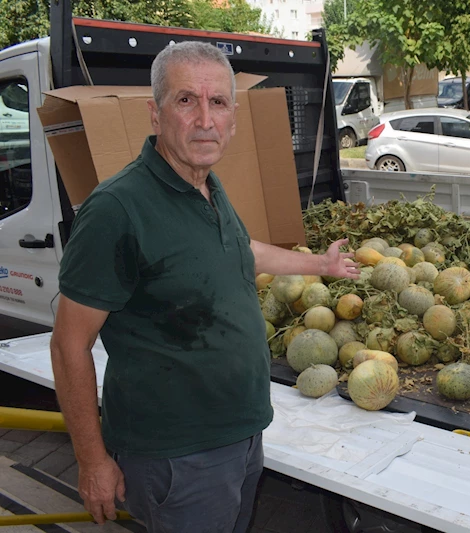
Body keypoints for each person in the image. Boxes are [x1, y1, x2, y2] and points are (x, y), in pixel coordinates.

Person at [49, 41, 359, 533]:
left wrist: (319, 262)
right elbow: (69, 344)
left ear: (233, 118)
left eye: (218, 103)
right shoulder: (117, 209)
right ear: (155, 114)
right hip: (178, 455)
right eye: (186, 100)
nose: (205, 119)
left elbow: (241, 248)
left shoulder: (207, 187)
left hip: (241, 431)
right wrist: (91, 461)